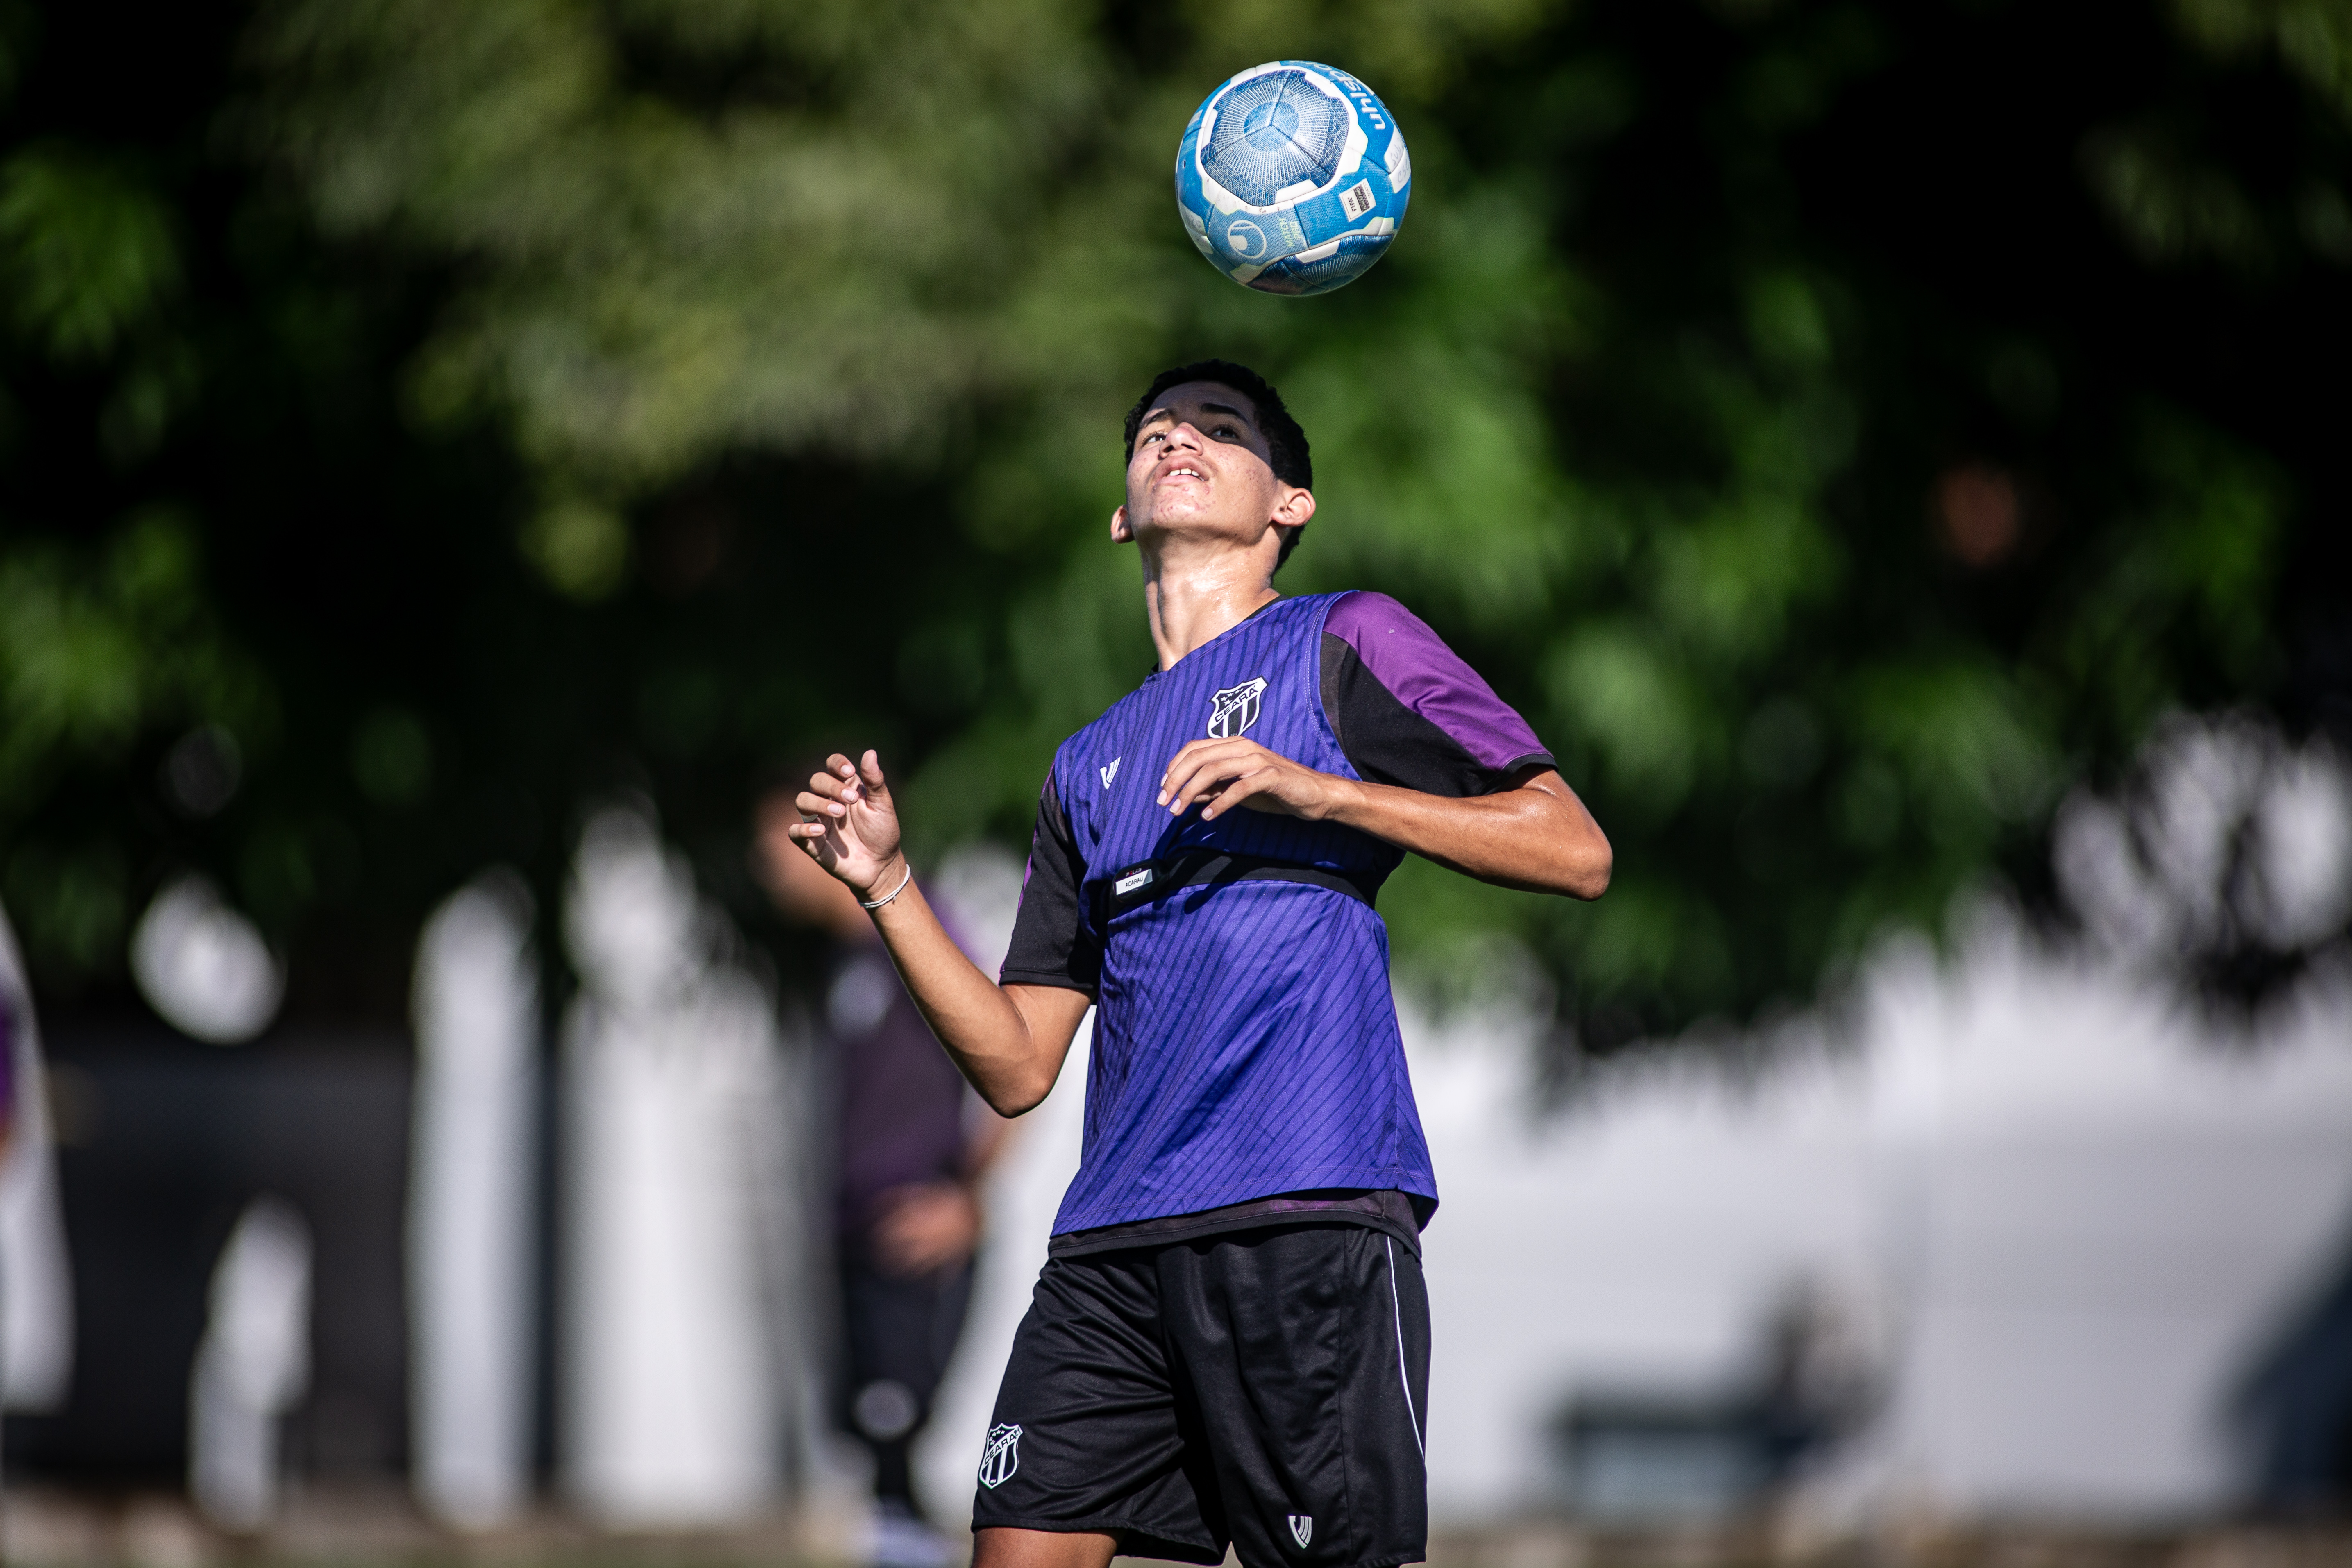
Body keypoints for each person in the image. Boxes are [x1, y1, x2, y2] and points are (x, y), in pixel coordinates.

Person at [787, 359, 1611, 1568]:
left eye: (1221, 431)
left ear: (1290, 504)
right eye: (1156, 432)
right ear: (1122, 510)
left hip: (1303, 1213)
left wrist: (1321, 791)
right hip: (1111, 1246)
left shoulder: (1345, 638)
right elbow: (1016, 1065)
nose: (1180, 438)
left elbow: (1572, 847)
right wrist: (887, 885)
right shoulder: (1085, 764)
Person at [756, 809, 1010, 1568]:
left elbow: (1011, 1057)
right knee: (865, 1443)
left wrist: (966, 1198)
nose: (763, 864)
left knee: (902, 1441)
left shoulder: (915, 927)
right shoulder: (840, 959)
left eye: (773, 841)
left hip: (916, 1231)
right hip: (855, 1232)